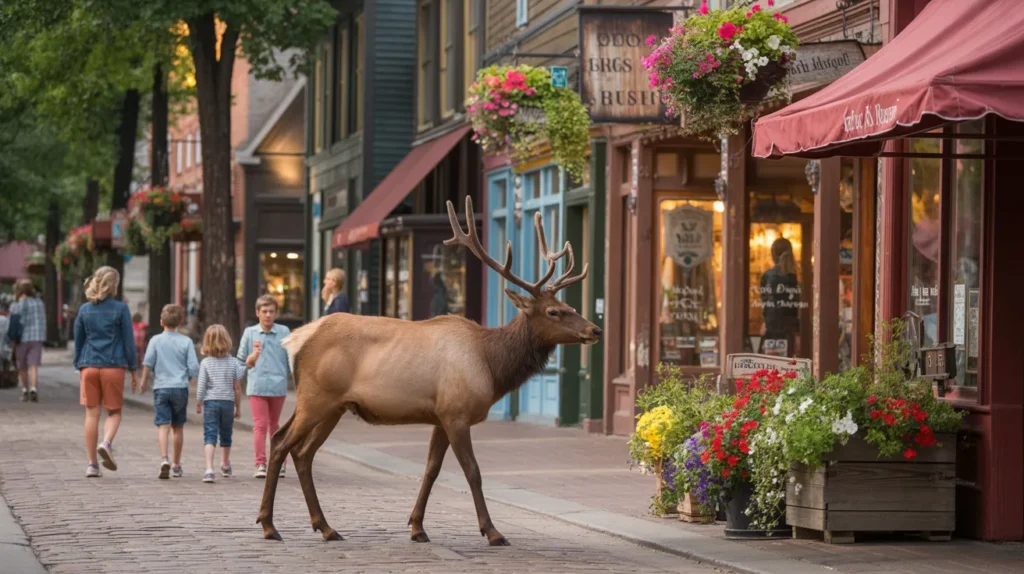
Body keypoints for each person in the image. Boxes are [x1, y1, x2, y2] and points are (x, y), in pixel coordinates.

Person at [73, 267, 138, 478]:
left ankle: (92, 465)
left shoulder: (84, 310)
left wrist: (79, 364)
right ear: (114, 285)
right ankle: (106, 443)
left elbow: (79, 340)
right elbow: (129, 342)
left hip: (89, 365)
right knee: (114, 412)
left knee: (91, 414)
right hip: (113, 366)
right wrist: (133, 368)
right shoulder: (121, 309)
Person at [140, 304, 199, 479]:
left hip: (161, 387)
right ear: (181, 321)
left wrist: (143, 382)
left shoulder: (155, 340)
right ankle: (176, 464)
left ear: (161, 322)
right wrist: (187, 378)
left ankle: (164, 458)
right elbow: (194, 367)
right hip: (180, 388)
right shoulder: (186, 342)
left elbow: (148, 363)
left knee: (163, 425)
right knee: (178, 427)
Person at [237, 294, 291, 478]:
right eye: (264, 311)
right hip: (257, 386)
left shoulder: (284, 332)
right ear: (257, 313)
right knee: (260, 425)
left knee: (275, 426)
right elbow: (241, 360)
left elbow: (291, 359)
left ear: (276, 313)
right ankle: (260, 464)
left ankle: (279, 462)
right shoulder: (250, 333)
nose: (268, 315)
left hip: (278, 386)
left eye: (271, 312)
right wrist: (250, 360)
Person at [196, 324, 244, 483]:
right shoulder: (234, 362)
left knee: (210, 435)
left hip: (210, 402)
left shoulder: (205, 363)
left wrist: (199, 401)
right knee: (226, 434)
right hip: (228, 403)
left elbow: (202, 385)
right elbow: (237, 387)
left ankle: (209, 469)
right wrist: (238, 407)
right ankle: (225, 464)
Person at [759, 238, 801, 356]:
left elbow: (768, 305)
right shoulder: (795, 276)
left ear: (773, 255)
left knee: (772, 368)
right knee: (789, 367)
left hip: (773, 330)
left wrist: (765, 323)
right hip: (790, 331)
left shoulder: (768, 276)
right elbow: (796, 307)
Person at [11, 279, 46, 402]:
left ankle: (25, 390)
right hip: (37, 338)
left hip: (22, 339)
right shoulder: (40, 303)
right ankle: (34, 388)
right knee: (33, 365)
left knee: (22, 366)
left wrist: (12, 339)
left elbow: (14, 323)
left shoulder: (18, 304)